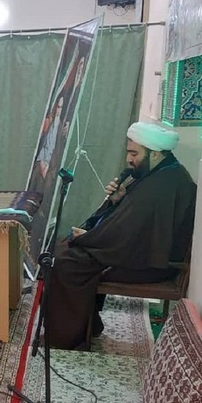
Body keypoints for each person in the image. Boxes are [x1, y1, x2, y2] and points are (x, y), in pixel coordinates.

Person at [46, 122, 196, 350]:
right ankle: (86, 325)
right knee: (67, 251)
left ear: (155, 154)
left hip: (152, 264)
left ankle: (67, 337)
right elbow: (131, 226)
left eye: (134, 154)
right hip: (143, 253)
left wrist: (89, 236)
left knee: (66, 263)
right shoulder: (162, 173)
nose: (129, 159)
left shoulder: (161, 186)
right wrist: (117, 201)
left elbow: (127, 233)